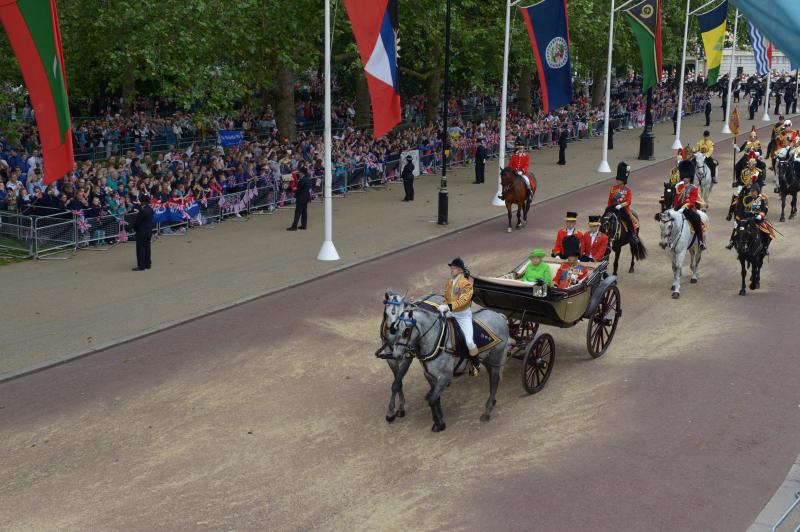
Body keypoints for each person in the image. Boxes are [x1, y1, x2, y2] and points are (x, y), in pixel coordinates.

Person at [438, 257, 480, 376]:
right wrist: (444, 305)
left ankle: (476, 365)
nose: (452, 270)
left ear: (460, 270)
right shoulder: (449, 282)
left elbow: (464, 300)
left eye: (454, 268)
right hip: (450, 312)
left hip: (463, 316)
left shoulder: (466, 284)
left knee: (470, 342)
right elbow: (446, 297)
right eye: (451, 268)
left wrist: (448, 307)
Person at [726, 183, 776, 250]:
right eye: (751, 191)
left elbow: (764, 210)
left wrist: (760, 215)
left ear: (757, 191)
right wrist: (741, 216)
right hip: (746, 218)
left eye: (753, 191)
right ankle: (731, 242)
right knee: (736, 227)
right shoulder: (747, 199)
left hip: (757, 219)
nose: (752, 192)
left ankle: (765, 246)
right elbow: (742, 209)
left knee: (768, 229)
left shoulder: (761, 200)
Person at [673, 160, 705, 250]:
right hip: (677, 208)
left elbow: (693, 200)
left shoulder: (693, 188)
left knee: (697, 219)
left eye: (686, 177)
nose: (684, 178)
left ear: (690, 177)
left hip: (688, 209)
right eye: (684, 176)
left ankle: (700, 241)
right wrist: (674, 208)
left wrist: (685, 207)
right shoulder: (679, 186)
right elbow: (676, 199)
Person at [605, 161, 639, 243]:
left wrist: (621, 205)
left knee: (629, 220)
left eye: (620, 179)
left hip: (623, 209)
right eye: (618, 179)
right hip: (613, 208)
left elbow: (628, 202)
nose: (618, 180)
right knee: (604, 219)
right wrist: (608, 208)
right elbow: (610, 200)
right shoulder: (613, 188)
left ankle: (633, 235)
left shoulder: (627, 191)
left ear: (623, 180)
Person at [728, 153, 761, 221]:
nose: (751, 166)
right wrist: (742, 184)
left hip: (754, 188)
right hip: (744, 186)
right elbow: (741, 179)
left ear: (755, 165)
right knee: (736, 196)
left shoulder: (758, 172)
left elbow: (760, 182)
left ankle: (756, 212)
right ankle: (730, 213)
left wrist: (754, 186)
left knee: (758, 198)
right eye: (750, 164)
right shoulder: (744, 171)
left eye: (753, 164)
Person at [132, 193, 153, 271]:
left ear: (143, 202)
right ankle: (148, 264)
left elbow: (138, 222)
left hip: (141, 231)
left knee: (141, 249)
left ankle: (141, 266)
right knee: (147, 247)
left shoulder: (142, 210)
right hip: (148, 231)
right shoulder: (150, 209)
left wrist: (133, 227)